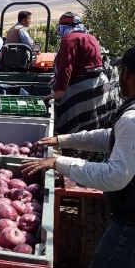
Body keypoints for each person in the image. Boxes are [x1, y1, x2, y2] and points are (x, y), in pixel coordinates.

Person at [21, 41, 135, 268]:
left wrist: (59, 162)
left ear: (127, 72)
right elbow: (113, 137)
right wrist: (63, 140)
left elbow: (114, 177)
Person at [46, 11, 120, 161]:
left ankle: (76, 166)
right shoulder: (90, 37)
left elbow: (66, 69)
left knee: (76, 129)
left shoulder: (69, 39)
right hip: (100, 87)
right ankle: (97, 163)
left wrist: (58, 93)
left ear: (63, 26)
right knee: (96, 126)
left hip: (81, 90)